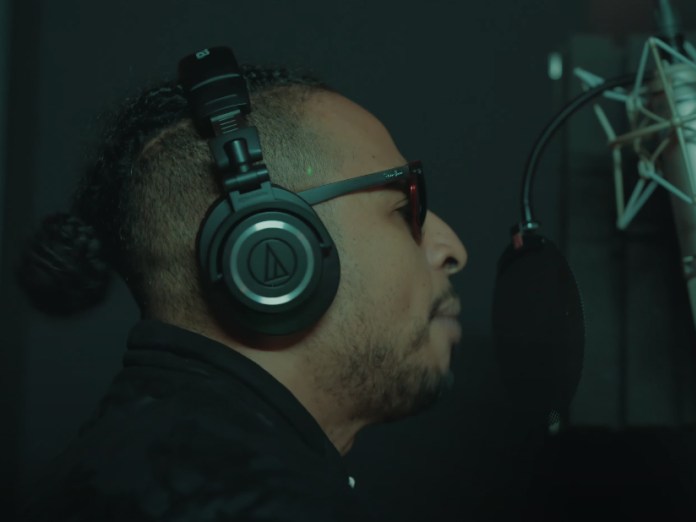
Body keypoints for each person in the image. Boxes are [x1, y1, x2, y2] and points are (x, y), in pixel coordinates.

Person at [14, 51, 468, 521]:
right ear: (275, 248)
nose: (452, 249)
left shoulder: (109, 469)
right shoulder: (276, 507)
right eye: (404, 208)